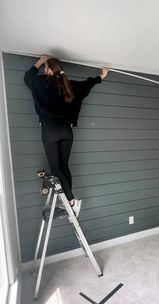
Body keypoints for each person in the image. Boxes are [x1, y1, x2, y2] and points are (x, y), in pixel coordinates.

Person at [24, 55, 109, 217]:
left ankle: (71, 201)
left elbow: (28, 77)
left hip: (50, 131)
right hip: (66, 131)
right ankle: (69, 201)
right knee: (64, 166)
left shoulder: (40, 82)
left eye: (45, 67)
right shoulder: (68, 85)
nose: (43, 69)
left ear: (48, 70)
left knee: (56, 168)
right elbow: (87, 85)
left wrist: (40, 60)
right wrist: (102, 76)